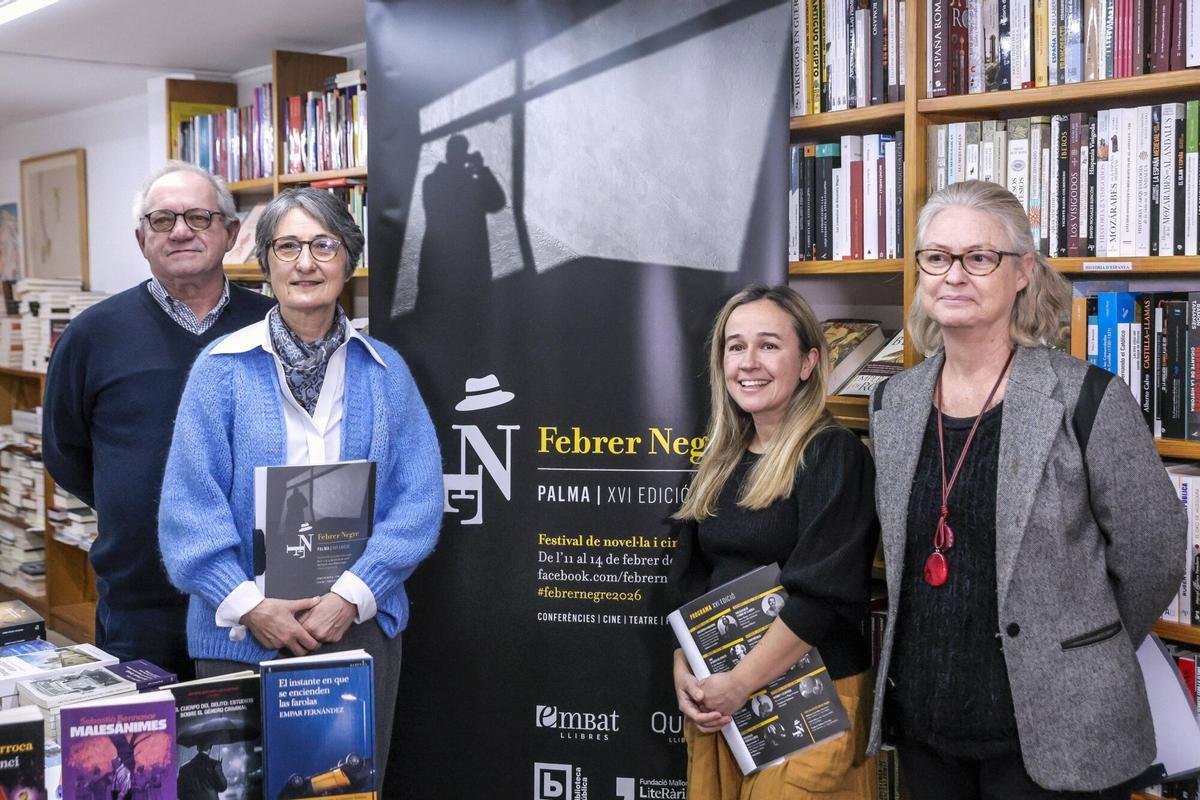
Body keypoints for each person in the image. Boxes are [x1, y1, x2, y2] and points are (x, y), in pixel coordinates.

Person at [867, 180, 1187, 799]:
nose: (953, 275)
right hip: (928, 730)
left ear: (1022, 273)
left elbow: (1153, 556)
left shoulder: (1089, 398)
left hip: (1057, 733)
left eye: (978, 257)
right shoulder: (893, 402)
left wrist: (1072, 647)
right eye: (936, 257)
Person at [158, 187, 443, 783]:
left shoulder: (386, 373)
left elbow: (417, 504)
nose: (305, 263)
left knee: (343, 790)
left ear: (348, 261)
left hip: (355, 630)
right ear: (265, 263)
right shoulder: (219, 370)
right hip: (238, 634)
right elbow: (189, 511)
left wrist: (352, 595)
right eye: (287, 247)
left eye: (323, 245)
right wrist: (252, 607)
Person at [42, 162, 276, 679]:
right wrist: (145, 506)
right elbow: (65, 451)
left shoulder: (273, 328)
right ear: (141, 237)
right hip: (140, 601)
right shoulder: (91, 334)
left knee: (254, 755)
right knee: (143, 755)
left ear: (232, 233)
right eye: (162, 219)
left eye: (198, 216)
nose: (181, 231)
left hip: (259, 600)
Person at [668, 285, 880, 799]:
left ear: (808, 362)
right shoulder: (720, 459)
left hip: (808, 702)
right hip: (722, 703)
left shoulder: (834, 456)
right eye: (735, 346)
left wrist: (739, 683)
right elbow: (691, 582)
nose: (749, 362)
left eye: (768, 345)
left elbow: (822, 598)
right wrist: (685, 669)